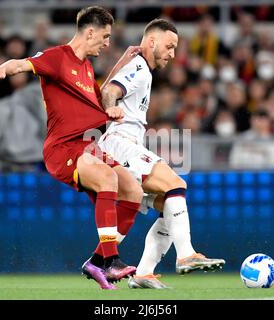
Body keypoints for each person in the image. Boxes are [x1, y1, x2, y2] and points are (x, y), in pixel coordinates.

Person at [0, 6, 144, 290]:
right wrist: (0, 70)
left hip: (87, 147)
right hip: (63, 149)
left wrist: (115, 92)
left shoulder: (87, 67)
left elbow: (100, 98)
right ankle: (111, 260)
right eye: (104, 36)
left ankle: (96, 261)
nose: (107, 42)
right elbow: (20, 63)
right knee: (108, 178)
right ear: (89, 32)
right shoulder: (57, 58)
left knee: (134, 192)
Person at [87, 18, 225, 289]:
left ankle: (143, 273)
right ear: (151, 41)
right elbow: (109, 93)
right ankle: (185, 255)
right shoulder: (139, 66)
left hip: (121, 145)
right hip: (120, 143)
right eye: (170, 46)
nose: (172, 54)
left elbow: (105, 88)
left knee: (169, 205)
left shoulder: (140, 68)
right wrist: (112, 107)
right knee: (176, 184)